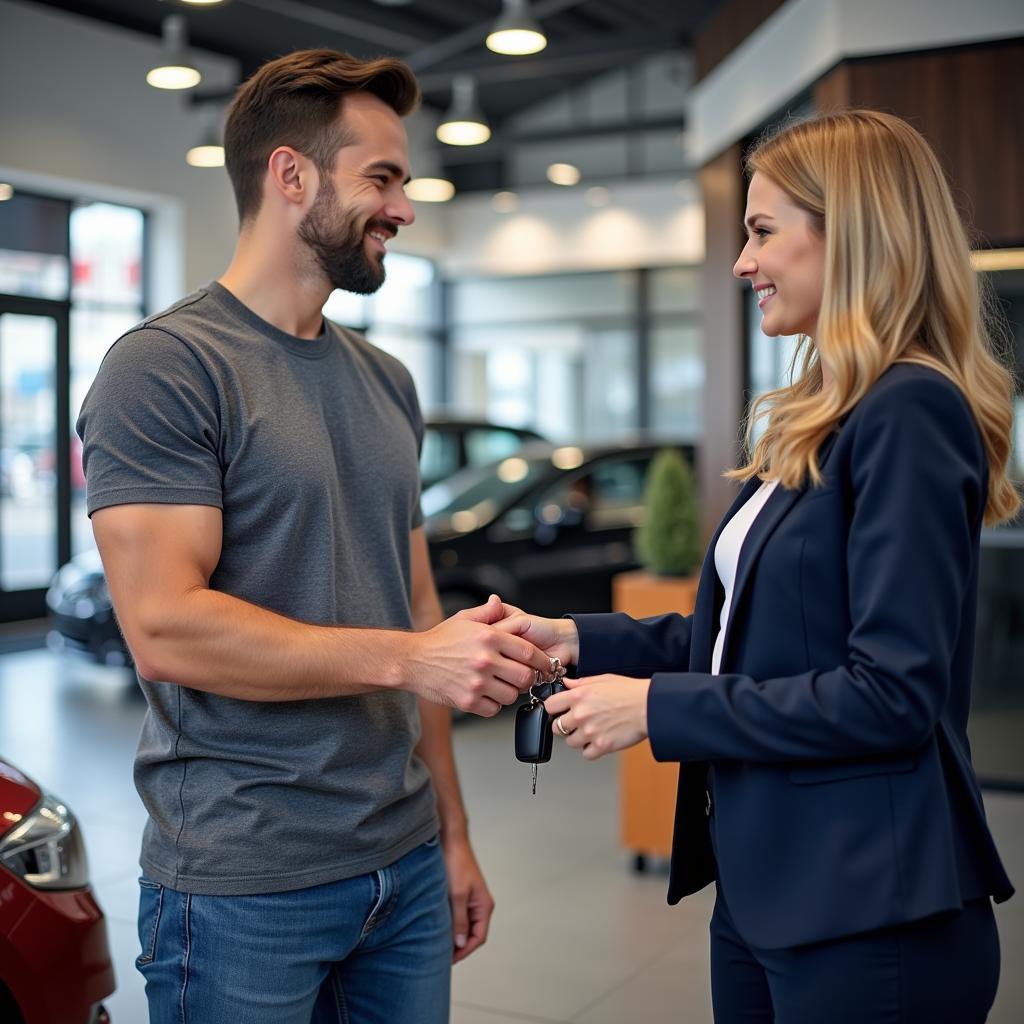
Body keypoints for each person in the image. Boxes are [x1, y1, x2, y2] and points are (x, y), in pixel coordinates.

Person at [496, 110, 1019, 1023]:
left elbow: (890, 693)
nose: (741, 262)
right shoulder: (826, 412)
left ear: (851, 234)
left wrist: (658, 708)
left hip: (868, 909)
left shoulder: (909, 412)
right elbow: (746, 634)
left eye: (762, 231)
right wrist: (580, 637)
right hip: (763, 884)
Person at [77, 49, 552, 1024]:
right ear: (291, 176)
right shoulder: (167, 368)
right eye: (381, 178)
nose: (403, 208)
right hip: (244, 881)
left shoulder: (388, 382)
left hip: (405, 868)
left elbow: (417, 610)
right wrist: (411, 659)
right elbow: (164, 628)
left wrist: (452, 835)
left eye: (403, 182)